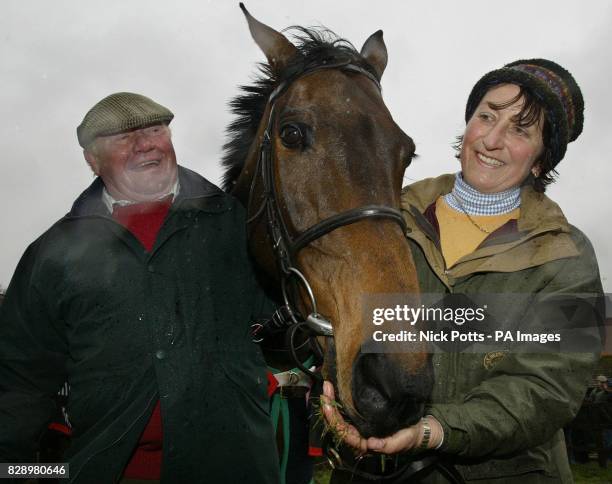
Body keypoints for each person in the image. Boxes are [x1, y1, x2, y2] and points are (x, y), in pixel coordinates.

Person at [322, 59, 604, 482]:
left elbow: (549, 389)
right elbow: (339, 320)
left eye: (520, 129)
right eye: (486, 115)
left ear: (541, 161)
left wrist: (433, 430)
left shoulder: (570, 254)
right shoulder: (384, 221)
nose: (492, 139)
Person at [0, 92, 280, 483]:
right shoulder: (52, 255)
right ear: (92, 160)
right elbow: (20, 382)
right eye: (122, 138)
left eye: (155, 129)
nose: (145, 144)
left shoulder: (238, 223)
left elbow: (285, 338)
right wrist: (14, 470)